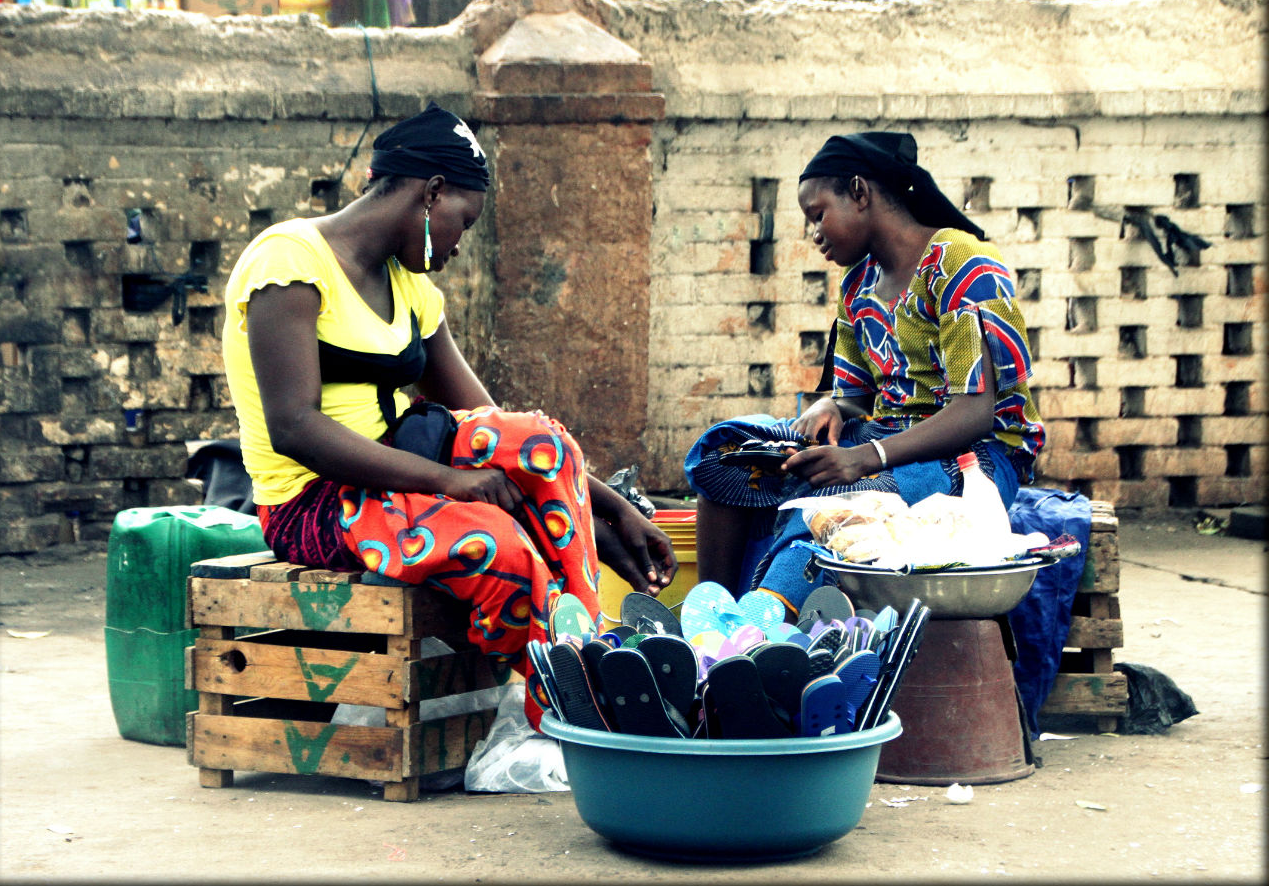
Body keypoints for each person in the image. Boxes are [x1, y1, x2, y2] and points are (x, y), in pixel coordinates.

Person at [221, 102, 676, 730]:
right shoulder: (289, 261)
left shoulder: (410, 289)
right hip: (315, 503)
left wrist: (607, 507)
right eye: (464, 221)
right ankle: (571, 710)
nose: (461, 244)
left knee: (543, 442)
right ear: (431, 194)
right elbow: (295, 427)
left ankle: (588, 647)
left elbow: (487, 421)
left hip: (402, 473)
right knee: (501, 546)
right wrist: (449, 483)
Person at [686, 131, 1045, 615]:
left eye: (818, 214)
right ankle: (711, 614)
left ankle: (755, 629)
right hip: (887, 437)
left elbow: (975, 412)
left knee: (835, 499)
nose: (814, 233)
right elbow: (855, 395)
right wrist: (831, 405)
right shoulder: (859, 284)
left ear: (859, 192)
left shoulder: (961, 264)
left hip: (972, 456)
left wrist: (864, 458)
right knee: (724, 454)